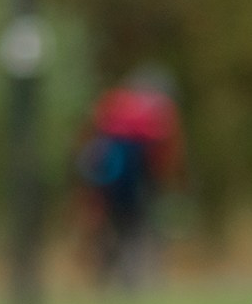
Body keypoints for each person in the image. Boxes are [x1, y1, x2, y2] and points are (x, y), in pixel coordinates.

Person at [78, 67, 182, 289]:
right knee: (136, 228)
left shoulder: (115, 103)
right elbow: (166, 154)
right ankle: (134, 281)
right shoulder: (161, 109)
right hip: (139, 182)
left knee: (109, 229)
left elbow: (91, 141)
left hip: (105, 181)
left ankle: (105, 279)